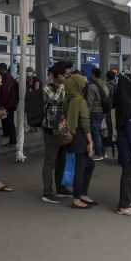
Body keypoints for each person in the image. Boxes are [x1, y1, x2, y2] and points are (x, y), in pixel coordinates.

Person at [41, 62, 73, 204]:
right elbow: (55, 100)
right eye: (65, 74)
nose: (67, 76)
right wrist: (61, 85)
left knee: (62, 160)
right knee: (50, 161)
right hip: (51, 130)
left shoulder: (66, 86)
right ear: (58, 75)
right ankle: (47, 192)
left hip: (63, 129)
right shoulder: (47, 87)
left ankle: (60, 187)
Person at [64, 74, 96, 209]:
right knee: (81, 168)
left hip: (73, 136)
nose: (85, 83)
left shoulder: (68, 98)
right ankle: (77, 198)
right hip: (80, 136)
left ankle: (82, 194)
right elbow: (84, 121)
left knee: (89, 165)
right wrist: (90, 141)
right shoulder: (79, 100)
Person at [114, 73, 131, 217]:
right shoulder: (129, 104)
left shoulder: (122, 100)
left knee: (129, 173)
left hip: (123, 142)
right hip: (127, 145)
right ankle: (124, 206)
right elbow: (130, 129)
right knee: (128, 173)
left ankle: (126, 201)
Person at [86, 67, 109, 160]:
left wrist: (86, 113)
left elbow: (89, 102)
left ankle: (99, 153)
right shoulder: (104, 84)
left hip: (94, 112)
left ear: (93, 74)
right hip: (103, 111)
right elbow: (107, 94)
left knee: (96, 133)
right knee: (100, 132)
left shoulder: (92, 86)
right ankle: (103, 151)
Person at [0, 63, 18, 147]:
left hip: (8, 104)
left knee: (9, 122)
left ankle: (13, 140)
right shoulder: (7, 77)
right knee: (5, 120)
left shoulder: (7, 78)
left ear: (3, 69)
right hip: (9, 103)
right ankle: (6, 134)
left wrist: (2, 103)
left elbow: (5, 92)